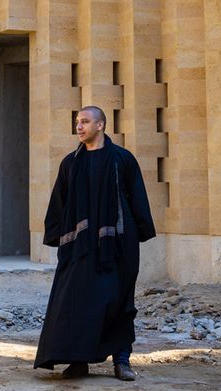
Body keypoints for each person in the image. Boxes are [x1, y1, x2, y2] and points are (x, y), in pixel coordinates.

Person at [34, 105, 156, 381]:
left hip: (116, 247)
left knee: (119, 302)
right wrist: (56, 235)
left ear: (100, 125)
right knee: (75, 302)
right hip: (80, 248)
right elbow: (59, 202)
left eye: (85, 122)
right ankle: (78, 362)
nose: (79, 127)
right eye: (77, 122)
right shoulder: (70, 163)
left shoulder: (122, 159)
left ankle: (121, 362)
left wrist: (139, 233)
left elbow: (137, 196)